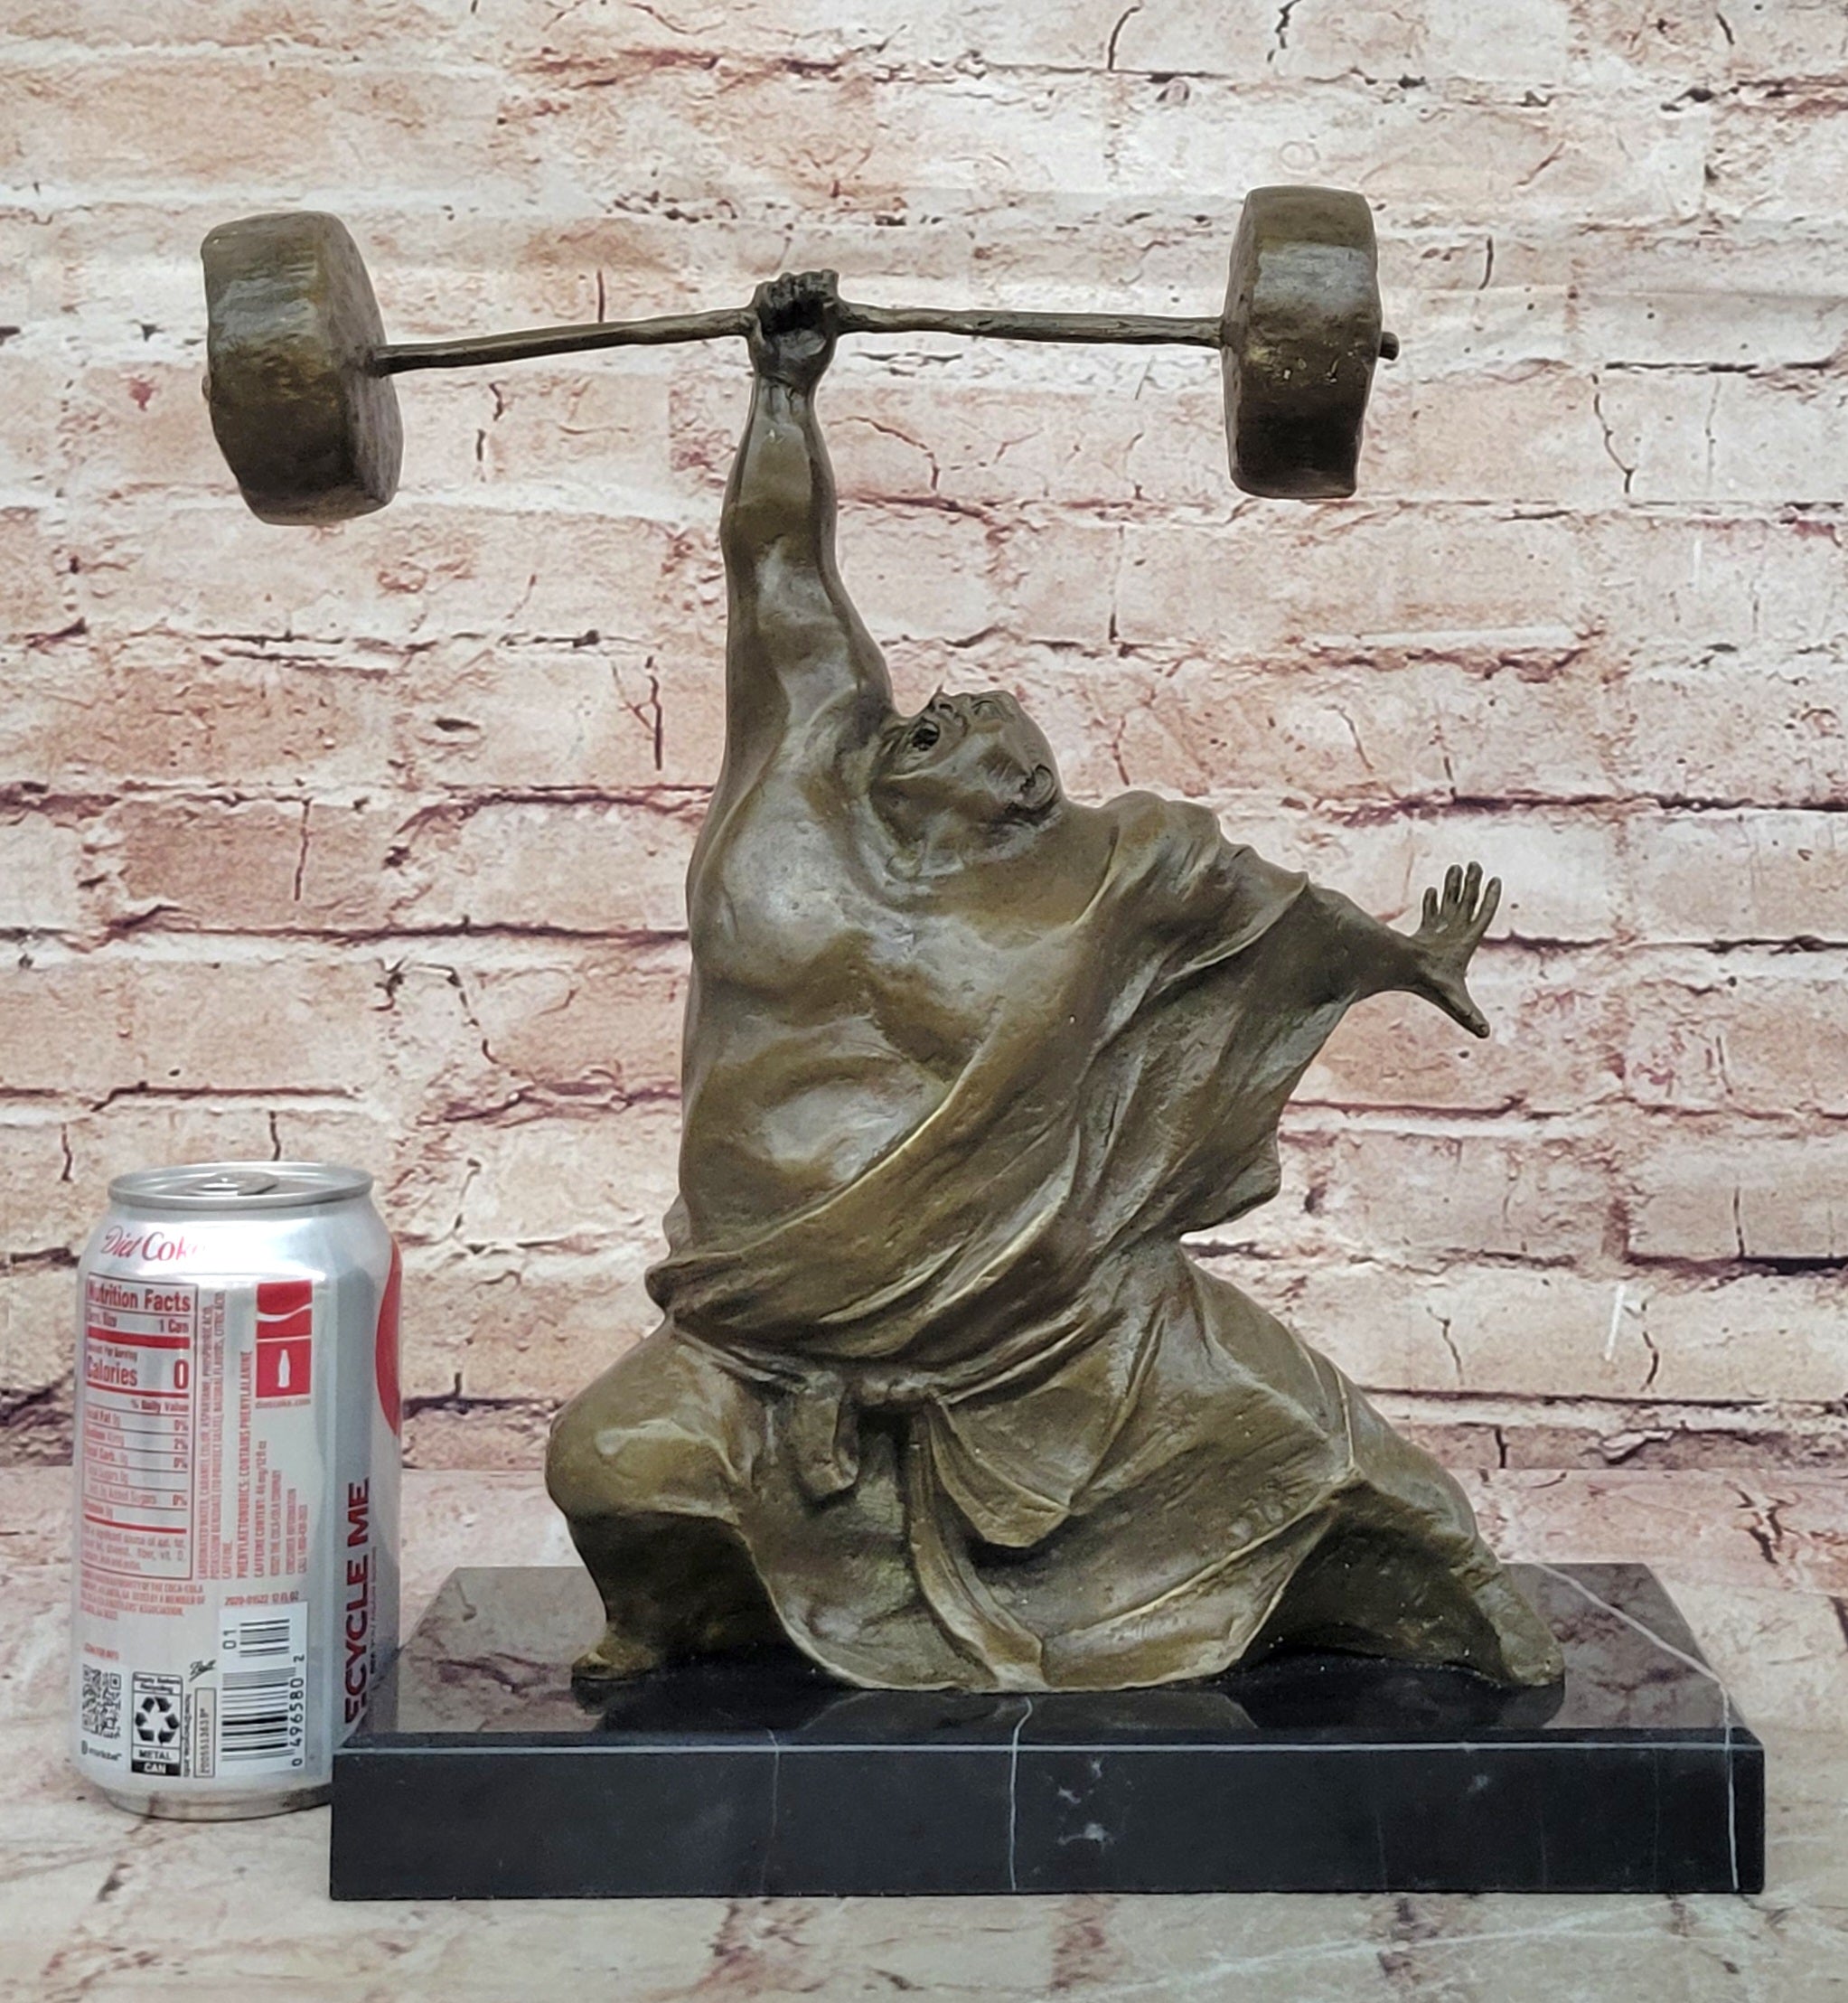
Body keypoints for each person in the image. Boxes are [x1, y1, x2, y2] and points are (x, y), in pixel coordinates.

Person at [546, 271, 1563, 1692]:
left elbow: (1258, 919)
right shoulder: (790, 809)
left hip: (1042, 1313)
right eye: (942, 713)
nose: (940, 704)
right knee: (605, 1466)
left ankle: (1445, 1597)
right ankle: (686, 1612)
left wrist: (1394, 962)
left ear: (1021, 798)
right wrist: (781, 393)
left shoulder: (1090, 896)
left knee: (1313, 1443)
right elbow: (778, 571)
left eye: (976, 729)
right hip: (757, 1331)